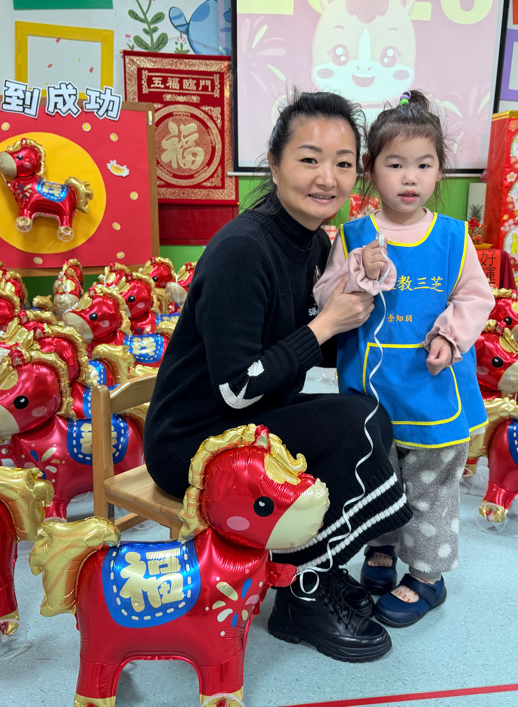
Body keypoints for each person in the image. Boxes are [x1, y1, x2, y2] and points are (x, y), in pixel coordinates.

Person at [143, 91, 411, 663]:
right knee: (356, 424)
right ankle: (302, 597)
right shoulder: (243, 250)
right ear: (273, 162)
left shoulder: (313, 241)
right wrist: (326, 324)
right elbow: (237, 387)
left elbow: (305, 355)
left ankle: (315, 570)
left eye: (343, 163)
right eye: (309, 159)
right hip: (193, 442)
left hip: (247, 421)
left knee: (360, 416)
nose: (327, 178)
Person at [313, 90, 494, 627]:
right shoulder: (353, 235)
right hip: (370, 391)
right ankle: (381, 549)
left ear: (440, 171)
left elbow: (475, 297)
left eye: (424, 164)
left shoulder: (454, 237)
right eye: (395, 165)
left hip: (433, 387)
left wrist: (451, 337)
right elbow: (324, 299)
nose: (409, 178)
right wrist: (356, 271)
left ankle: (427, 577)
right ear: (370, 170)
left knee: (430, 485)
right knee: (377, 477)